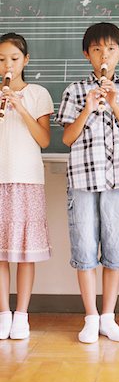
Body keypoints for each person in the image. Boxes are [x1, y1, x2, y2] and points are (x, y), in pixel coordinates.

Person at [56, 22, 119, 344]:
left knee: (115, 250)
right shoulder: (74, 90)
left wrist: (115, 103)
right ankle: (90, 317)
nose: (103, 55)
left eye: (109, 49)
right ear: (87, 54)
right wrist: (89, 107)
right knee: (83, 250)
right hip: (82, 180)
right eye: (96, 50)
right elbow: (67, 138)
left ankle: (108, 317)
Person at [0, 32, 53, 340]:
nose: (8, 64)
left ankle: (22, 314)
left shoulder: (38, 94)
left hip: (27, 179)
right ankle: (3, 313)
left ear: (26, 60)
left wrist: (19, 108)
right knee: (1, 253)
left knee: (24, 251)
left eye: (14, 58)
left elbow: (45, 140)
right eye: (2, 60)